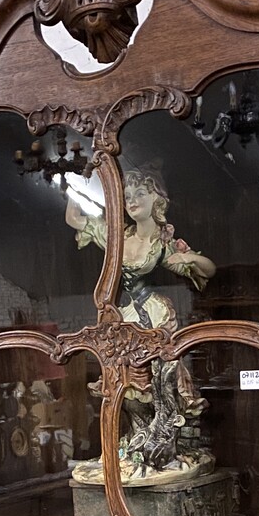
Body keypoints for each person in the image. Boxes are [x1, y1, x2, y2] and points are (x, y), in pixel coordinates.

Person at [66, 168, 216, 484]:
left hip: (153, 313)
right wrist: (77, 184)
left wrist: (189, 257)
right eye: (128, 196)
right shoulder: (118, 235)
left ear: (156, 199)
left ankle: (164, 437)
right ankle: (136, 437)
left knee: (161, 376)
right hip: (124, 314)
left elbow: (208, 270)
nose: (132, 201)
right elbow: (75, 218)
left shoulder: (162, 243)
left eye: (140, 195)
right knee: (124, 379)